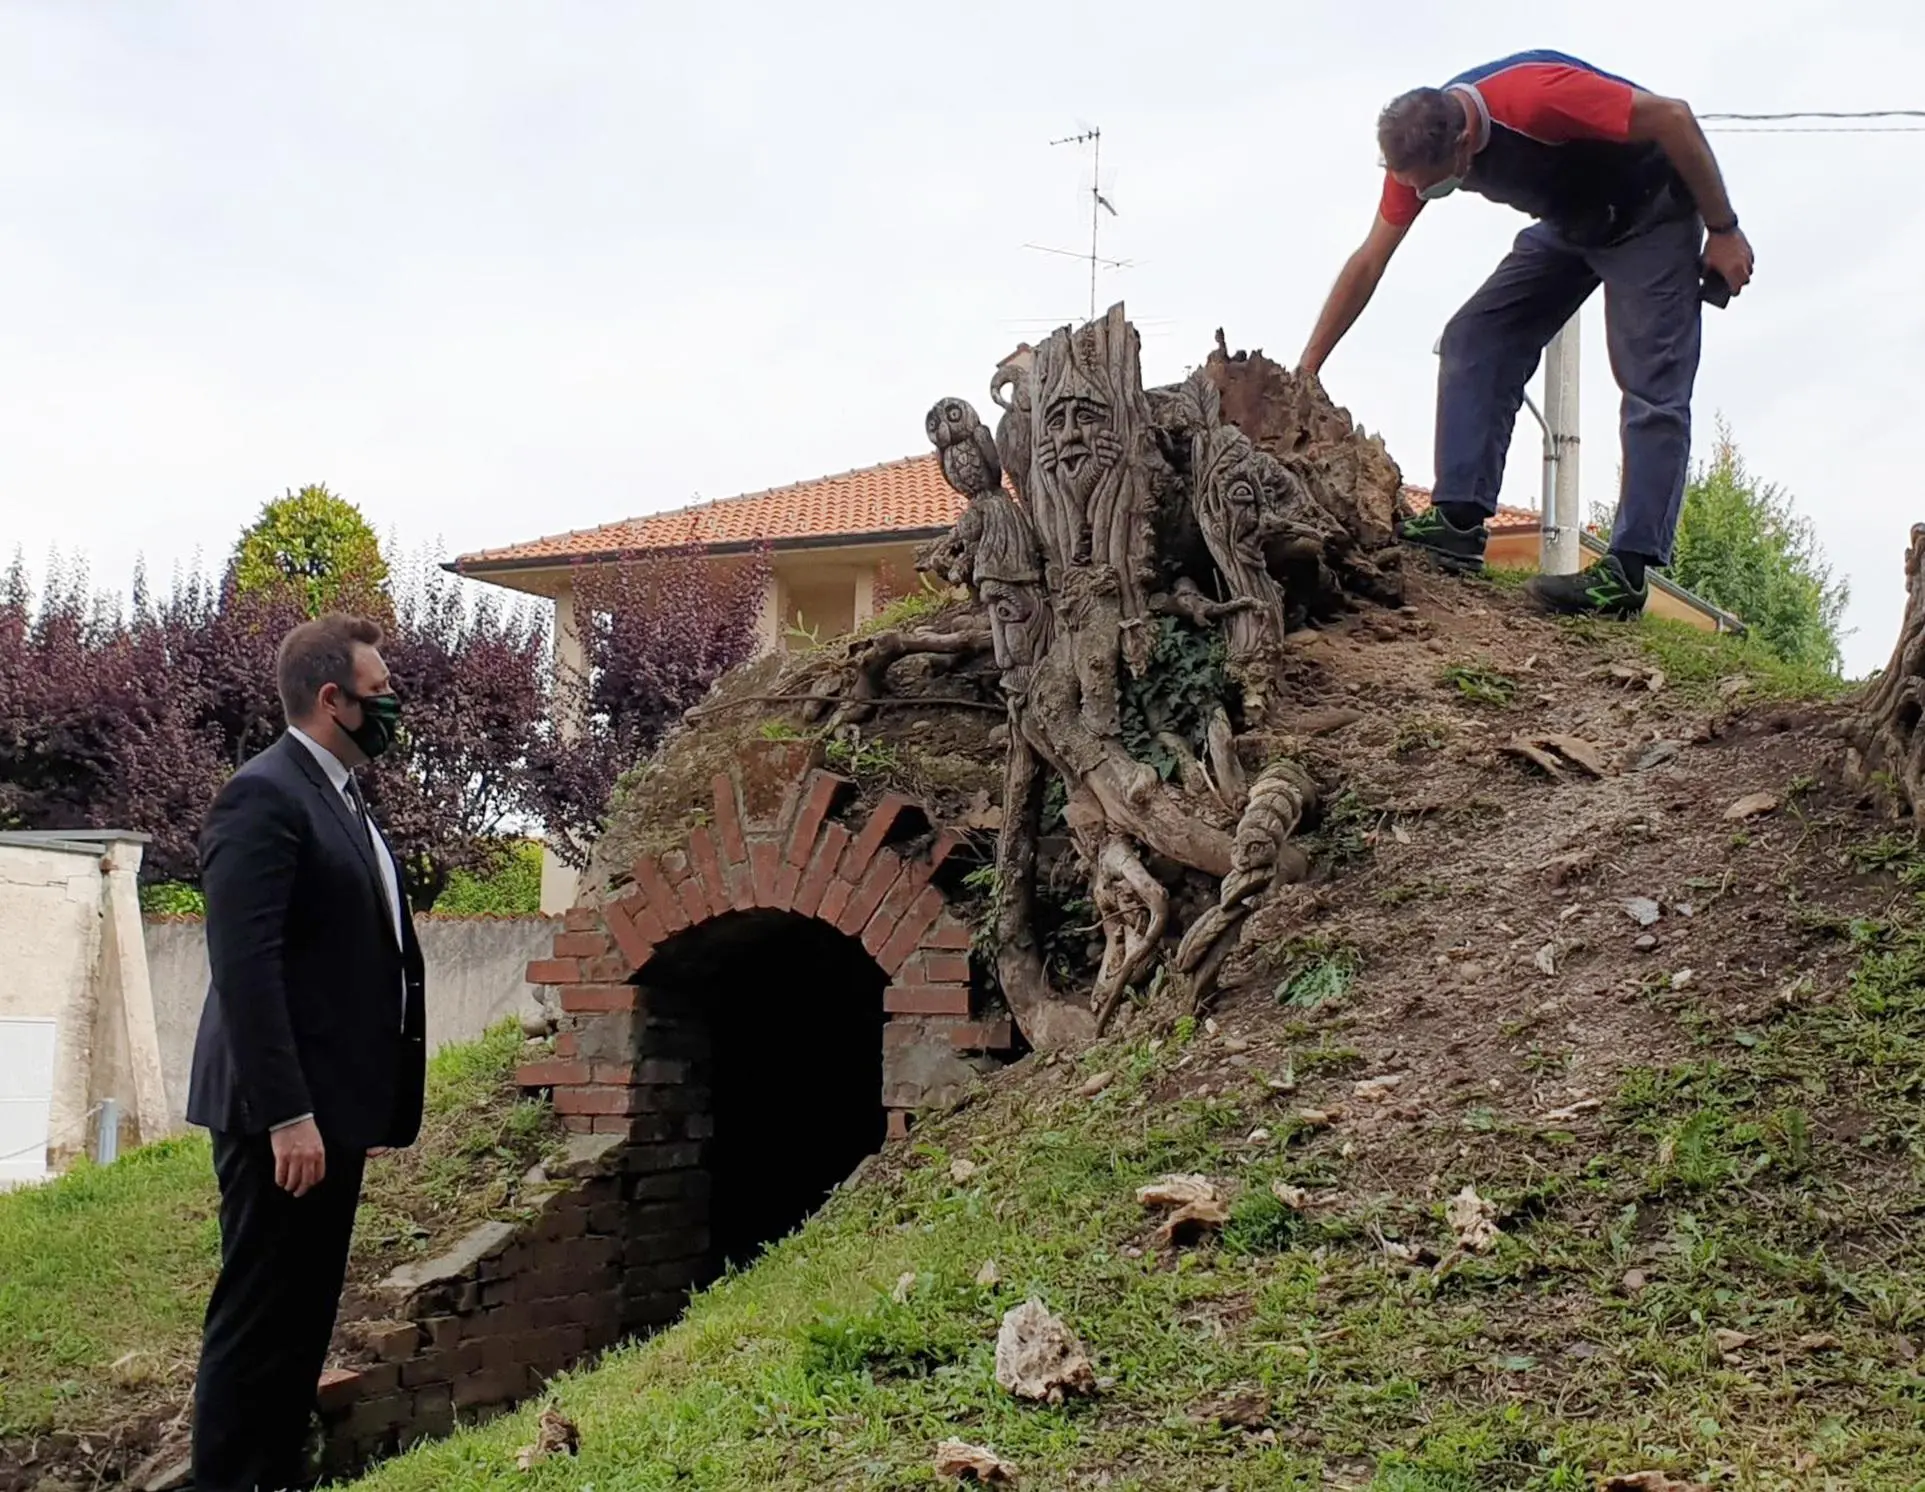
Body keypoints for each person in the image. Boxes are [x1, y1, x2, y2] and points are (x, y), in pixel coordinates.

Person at [1299, 51, 1756, 618]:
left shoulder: (1537, 97)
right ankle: (1458, 523)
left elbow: (1675, 118)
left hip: (1650, 211)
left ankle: (1627, 574)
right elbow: (1370, 261)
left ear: (1464, 145)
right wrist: (1306, 371)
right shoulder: (1417, 151)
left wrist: (1724, 229)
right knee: (1476, 337)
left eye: (1437, 189)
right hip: (1573, 224)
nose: (1426, 196)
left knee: (1652, 388)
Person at [187, 613, 425, 1492]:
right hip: (277, 1121)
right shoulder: (265, 795)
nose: (395, 704)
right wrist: (290, 1114)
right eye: (381, 692)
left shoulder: (341, 796)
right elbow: (245, 972)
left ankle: (275, 1475)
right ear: (333, 699)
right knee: (258, 1320)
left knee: (302, 1319)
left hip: (332, 1116)